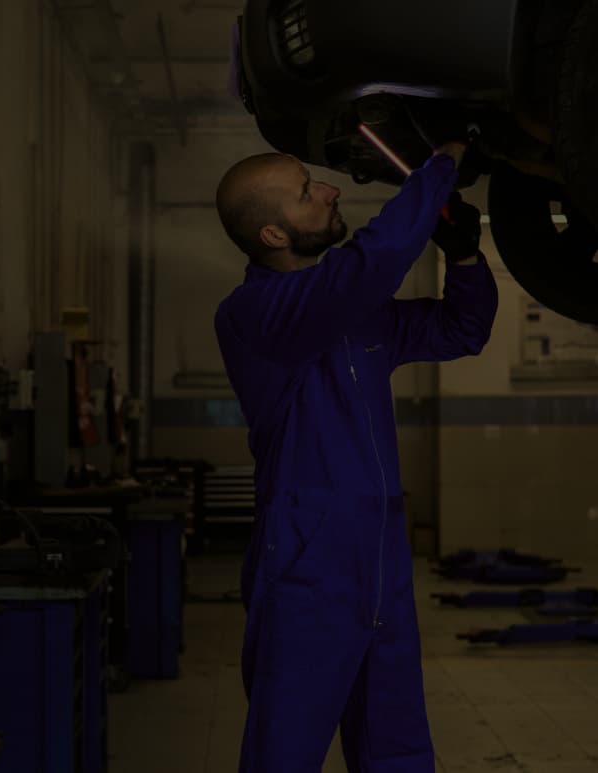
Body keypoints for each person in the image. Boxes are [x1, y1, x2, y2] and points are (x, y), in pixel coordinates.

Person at [212, 143, 498, 772]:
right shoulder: (254, 315)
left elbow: (460, 331)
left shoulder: (353, 313)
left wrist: (466, 255)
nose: (330, 191)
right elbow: (371, 265)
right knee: (283, 753)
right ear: (273, 232)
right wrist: (437, 169)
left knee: (394, 747)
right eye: (307, 189)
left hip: (380, 562)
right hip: (309, 566)